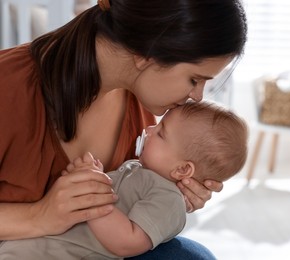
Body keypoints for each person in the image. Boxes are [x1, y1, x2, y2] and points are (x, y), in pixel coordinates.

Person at [0, 0, 247, 258]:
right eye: (194, 80)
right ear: (146, 54)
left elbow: (125, 219)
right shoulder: (7, 87)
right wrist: (39, 216)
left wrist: (166, 193)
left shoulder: (143, 108)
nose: (197, 96)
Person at [0, 101, 248, 259]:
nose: (150, 130)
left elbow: (127, 243)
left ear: (183, 169)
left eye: (160, 134)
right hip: (35, 242)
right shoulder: (138, 169)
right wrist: (86, 177)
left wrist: (93, 196)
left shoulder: (169, 199)